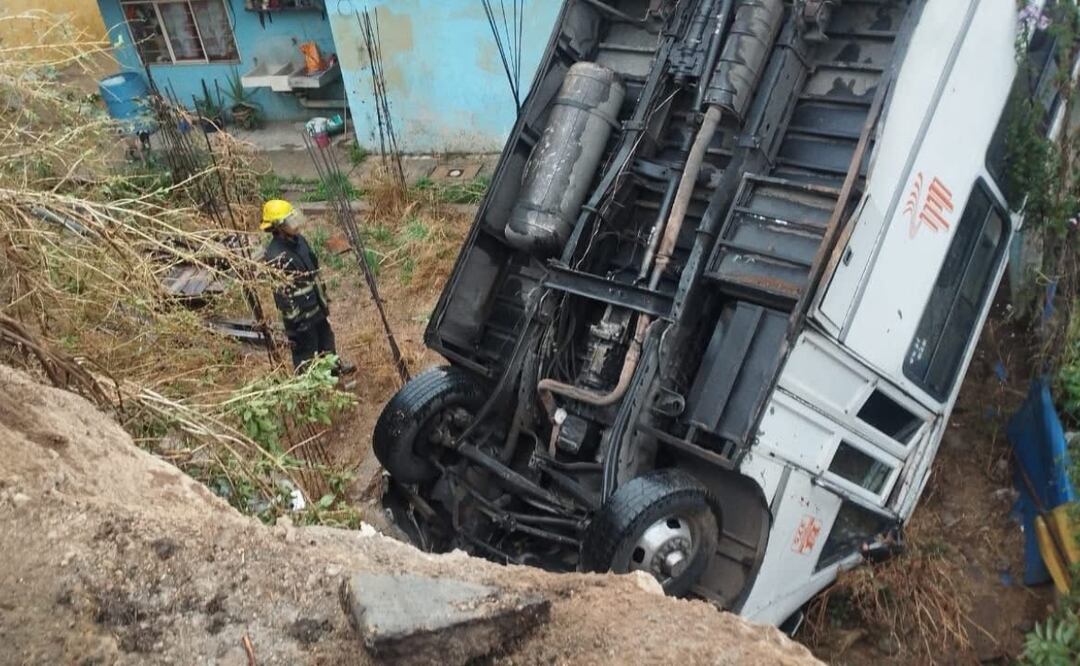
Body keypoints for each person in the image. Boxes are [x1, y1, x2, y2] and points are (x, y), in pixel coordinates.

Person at [261, 199, 355, 375]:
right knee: (306, 352)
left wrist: (323, 301)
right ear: (278, 227)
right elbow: (283, 296)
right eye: (289, 220)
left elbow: (314, 270)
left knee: (326, 340)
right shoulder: (275, 256)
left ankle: (333, 370)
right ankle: (310, 386)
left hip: (316, 307)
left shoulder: (299, 241)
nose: (295, 223)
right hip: (300, 319)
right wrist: (297, 323)